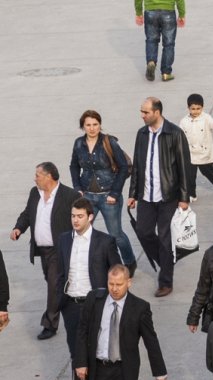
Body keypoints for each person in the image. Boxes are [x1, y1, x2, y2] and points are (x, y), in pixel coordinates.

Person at [56, 195, 120, 380]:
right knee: (77, 355)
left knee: (100, 353)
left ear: (90, 217)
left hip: (96, 306)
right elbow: (59, 272)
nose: (75, 220)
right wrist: (58, 301)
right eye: (73, 216)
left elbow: (116, 273)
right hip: (71, 305)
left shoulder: (105, 241)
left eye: (80, 216)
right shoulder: (64, 240)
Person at [128, 98, 192, 296]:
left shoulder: (174, 133)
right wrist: (133, 193)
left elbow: (184, 166)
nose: (142, 115)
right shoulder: (142, 134)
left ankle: (165, 280)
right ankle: (167, 262)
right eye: (141, 111)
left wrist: (184, 197)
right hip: (146, 195)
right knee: (143, 231)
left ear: (157, 112)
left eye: (145, 112)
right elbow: (137, 165)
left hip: (168, 196)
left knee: (165, 239)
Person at [11, 163, 76, 339]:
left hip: (59, 250)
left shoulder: (69, 195)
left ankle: (50, 324)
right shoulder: (35, 192)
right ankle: (70, 304)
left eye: (38, 175)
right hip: (43, 251)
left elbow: (82, 217)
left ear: (49, 177)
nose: (35, 178)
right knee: (53, 283)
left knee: (54, 286)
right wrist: (19, 228)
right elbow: (27, 214)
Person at [71, 110, 136, 270]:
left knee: (115, 234)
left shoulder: (109, 142)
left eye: (95, 124)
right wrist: (77, 188)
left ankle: (129, 262)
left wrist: (115, 193)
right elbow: (73, 166)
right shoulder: (79, 143)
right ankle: (88, 265)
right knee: (83, 232)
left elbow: (123, 167)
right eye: (88, 125)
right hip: (88, 196)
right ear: (83, 126)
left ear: (100, 125)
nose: (92, 128)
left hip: (109, 196)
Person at [179, 93, 213, 194]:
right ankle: (191, 195)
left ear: (202, 107)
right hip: (190, 154)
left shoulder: (206, 118)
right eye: (193, 108)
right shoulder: (184, 121)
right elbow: (180, 136)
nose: (195, 111)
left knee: (208, 173)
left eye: (198, 108)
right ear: (188, 108)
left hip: (204, 153)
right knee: (189, 177)